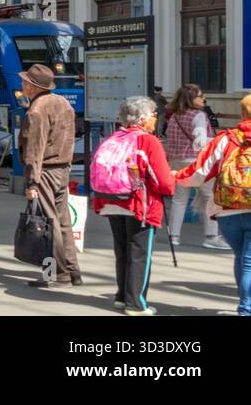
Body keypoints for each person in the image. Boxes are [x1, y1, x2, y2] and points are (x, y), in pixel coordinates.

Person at [91, 96, 174, 315]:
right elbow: (163, 181)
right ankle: (136, 303)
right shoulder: (148, 141)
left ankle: (122, 296)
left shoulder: (113, 138)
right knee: (139, 254)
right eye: (155, 115)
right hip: (139, 204)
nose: (156, 119)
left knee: (122, 251)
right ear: (144, 118)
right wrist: (170, 187)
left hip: (111, 201)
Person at [174, 92, 251, 316]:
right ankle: (246, 309)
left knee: (243, 259)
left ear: (242, 113)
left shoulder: (226, 139)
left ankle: (245, 304)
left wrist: (177, 177)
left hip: (227, 212)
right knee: (248, 261)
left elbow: (200, 173)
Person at [16, 63, 81, 288]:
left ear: (33, 87)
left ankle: (57, 273)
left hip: (44, 170)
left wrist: (32, 181)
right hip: (62, 168)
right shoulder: (63, 103)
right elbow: (70, 138)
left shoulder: (37, 110)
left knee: (47, 223)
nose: (22, 84)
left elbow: (36, 147)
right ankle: (73, 270)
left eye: (25, 82)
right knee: (62, 221)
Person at [164, 84, 229, 250]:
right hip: (196, 161)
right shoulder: (199, 115)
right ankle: (211, 236)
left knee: (179, 199)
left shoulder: (174, 117)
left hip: (176, 160)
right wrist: (216, 142)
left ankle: (174, 236)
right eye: (200, 96)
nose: (203, 98)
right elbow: (200, 141)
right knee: (210, 196)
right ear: (190, 99)